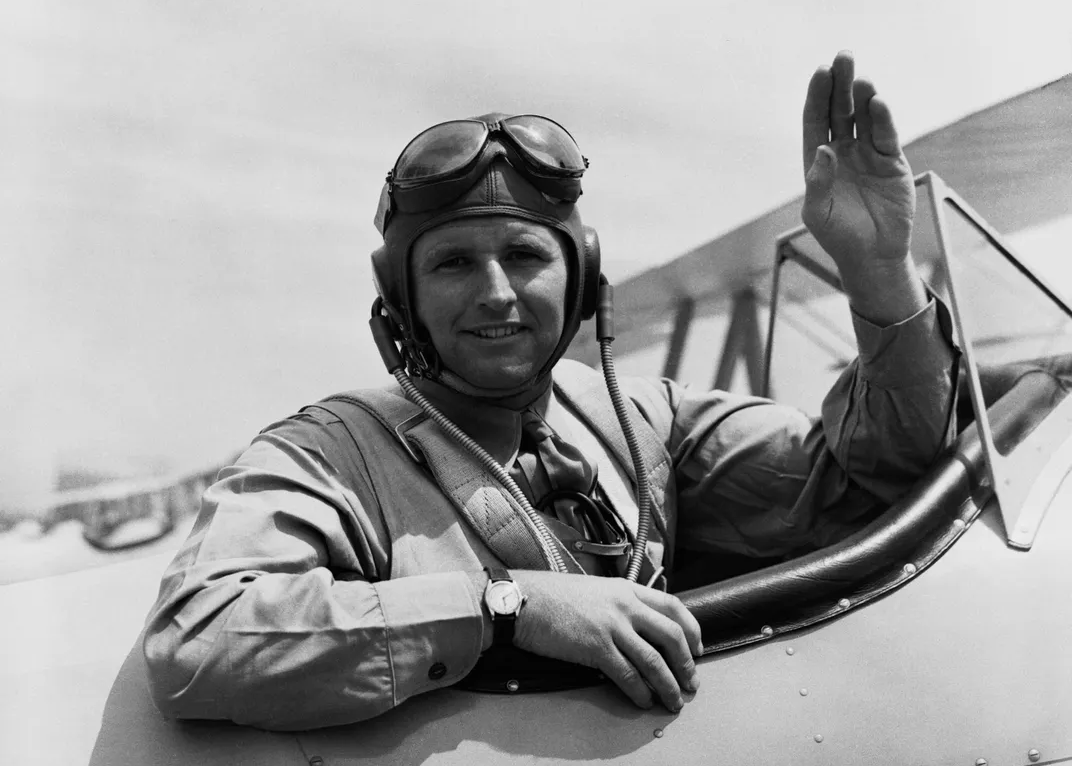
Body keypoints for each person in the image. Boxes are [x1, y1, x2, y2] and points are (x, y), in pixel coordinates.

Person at [143, 53, 957, 730]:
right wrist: (506, 605)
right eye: (453, 263)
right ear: (402, 298)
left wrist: (879, 272)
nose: (496, 292)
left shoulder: (643, 422)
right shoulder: (330, 455)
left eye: (525, 256)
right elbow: (200, 636)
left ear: (581, 276)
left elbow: (865, 479)